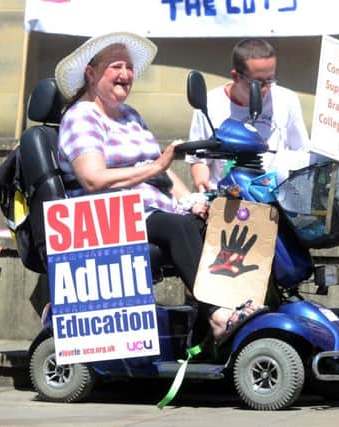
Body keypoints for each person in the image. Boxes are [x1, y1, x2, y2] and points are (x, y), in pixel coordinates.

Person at [54, 32, 263, 342]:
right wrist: (154, 168)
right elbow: (93, 179)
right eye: (116, 67)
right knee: (177, 227)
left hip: (148, 211)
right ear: (91, 72)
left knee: (218, 218)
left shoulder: (130, 116)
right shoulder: (82, 117)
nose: (125, 75)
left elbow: (162, 172)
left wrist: (192, 200)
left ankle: (221, 321)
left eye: (129, 68)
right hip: (102, 216)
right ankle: (219, 315)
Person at [186, 38, 311, 191]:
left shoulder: (287, 100)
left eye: (270, 80)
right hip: (227, 195)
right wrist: (202, 183)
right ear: (236, 76)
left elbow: (301, 152)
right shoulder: (210, 103)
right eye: (257, 83)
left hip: (274, 195)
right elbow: (199, 160)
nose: (265, 89)